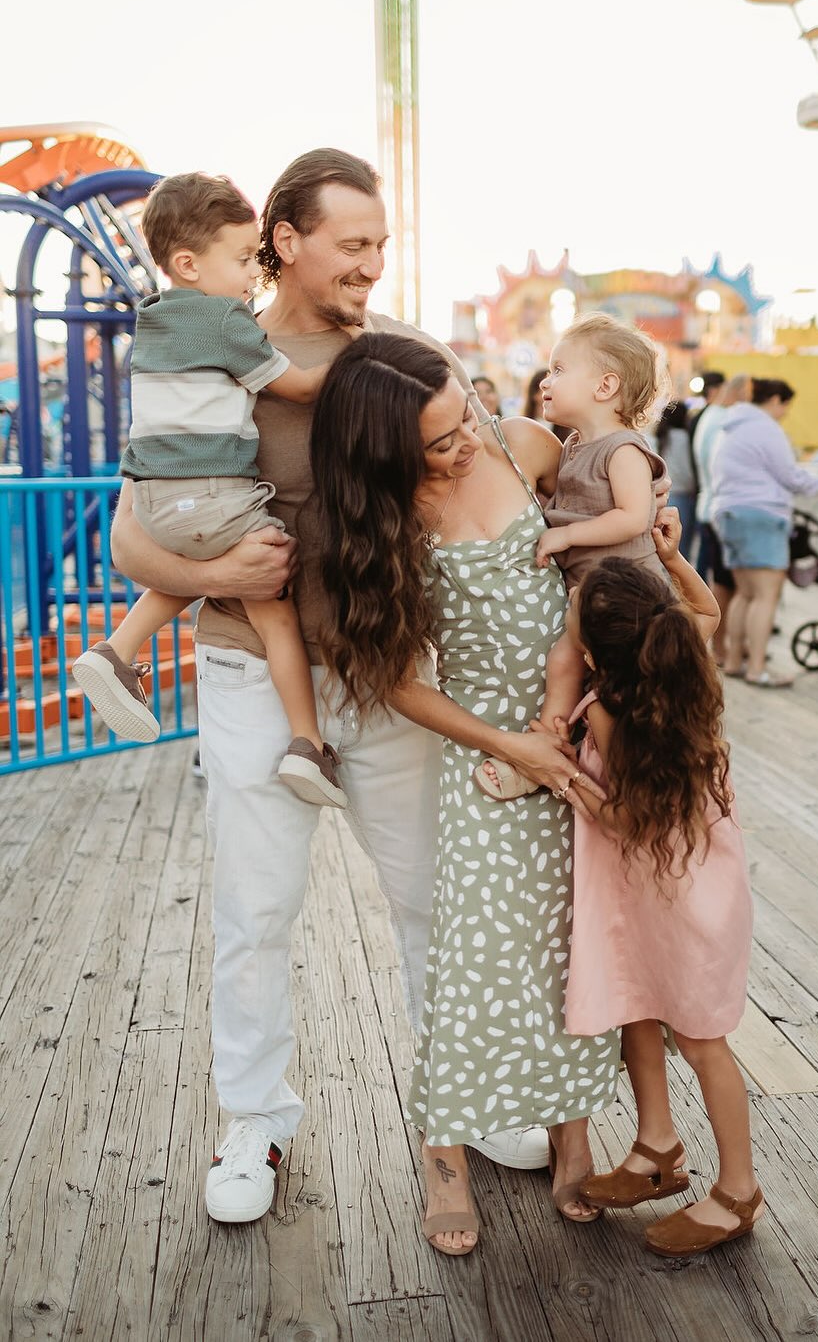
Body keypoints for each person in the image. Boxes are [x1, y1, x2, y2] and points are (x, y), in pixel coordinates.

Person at [109, 149, 557, 1227]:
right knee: (255, 912)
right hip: (250, 672)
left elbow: (498, 466)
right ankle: (254, 1122)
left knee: (425, 901)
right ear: (286, 238)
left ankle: (467, 1091)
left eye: (381, 245)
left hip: (387, 670)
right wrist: (214, 575)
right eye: (352, 243)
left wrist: (618, 496)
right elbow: (132, 534)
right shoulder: (210, 342)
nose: (370, 263)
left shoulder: (406, 356)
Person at [309, 331, 621, 1256]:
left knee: (574, 944)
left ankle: (574, 1135)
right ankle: (444, 1154)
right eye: (441, 440)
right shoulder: (383, 520)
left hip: (580, 732)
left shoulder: (527, 448)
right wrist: (507, 745)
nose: (467, 446)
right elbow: (401, 679)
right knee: (473, 952)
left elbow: (596, 553)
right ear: (385, 450)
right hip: (485, 745)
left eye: (467, 418)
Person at [72, 173, 345, 808]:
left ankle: (118, 649)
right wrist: (357, 357)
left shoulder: (154, 321)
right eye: (245, 258)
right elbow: (301, 388)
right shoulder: (224, 319)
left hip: (157, 503)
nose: (256, 272)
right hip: (215, 493)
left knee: (200, 565)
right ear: (190, 263)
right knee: (272, 595)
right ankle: (308, 744)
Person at [558, 555, 761, 1257]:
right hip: (674, 887)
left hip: (677, 894)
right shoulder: (682, 668)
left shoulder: (611, 709)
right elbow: (705, 609)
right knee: (638, 1007)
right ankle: (657, 1147)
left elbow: (622, 819)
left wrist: (565, 778)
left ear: (591, 651)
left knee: (703, 1040)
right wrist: (674, 558)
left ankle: (738, 1191)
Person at [475, 311, 668, 800]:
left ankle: (626, 767)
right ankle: (550, 745)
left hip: (630, 599)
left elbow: (631, 517)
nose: (546, 380)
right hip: (592, 598)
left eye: (560, 370)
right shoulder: (576, 446)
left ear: (605, 387)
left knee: (622, 688)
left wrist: (565, 537)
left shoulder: (622, 449)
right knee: (565, 663)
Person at [712, 378, 818, 687]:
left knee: (745, 593)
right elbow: (791, 476)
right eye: (784, 405)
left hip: (728, 513)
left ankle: (733, 661)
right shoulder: (766, 429)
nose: (784, 412)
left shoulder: (732, 427)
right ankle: (757, 668)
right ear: (773, 401)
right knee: (766, 595)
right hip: (761, 514)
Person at [694, 374, 750, 665]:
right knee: (725, 583)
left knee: (720, 580)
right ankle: (721, 648)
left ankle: (723, 646)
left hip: (710, 506)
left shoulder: (712, 417)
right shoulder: (722, 421)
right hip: (720, 509)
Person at [653, 399, 698, 562]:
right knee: (681, 547)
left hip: (661, 496)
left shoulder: (659, 437)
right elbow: (687, 470)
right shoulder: (684, 438)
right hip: (683, 494)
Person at [524, 366, 571, 441]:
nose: (550, 390)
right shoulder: (523, 427)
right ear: (534, 393)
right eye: (544, 388)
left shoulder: (567, 431)